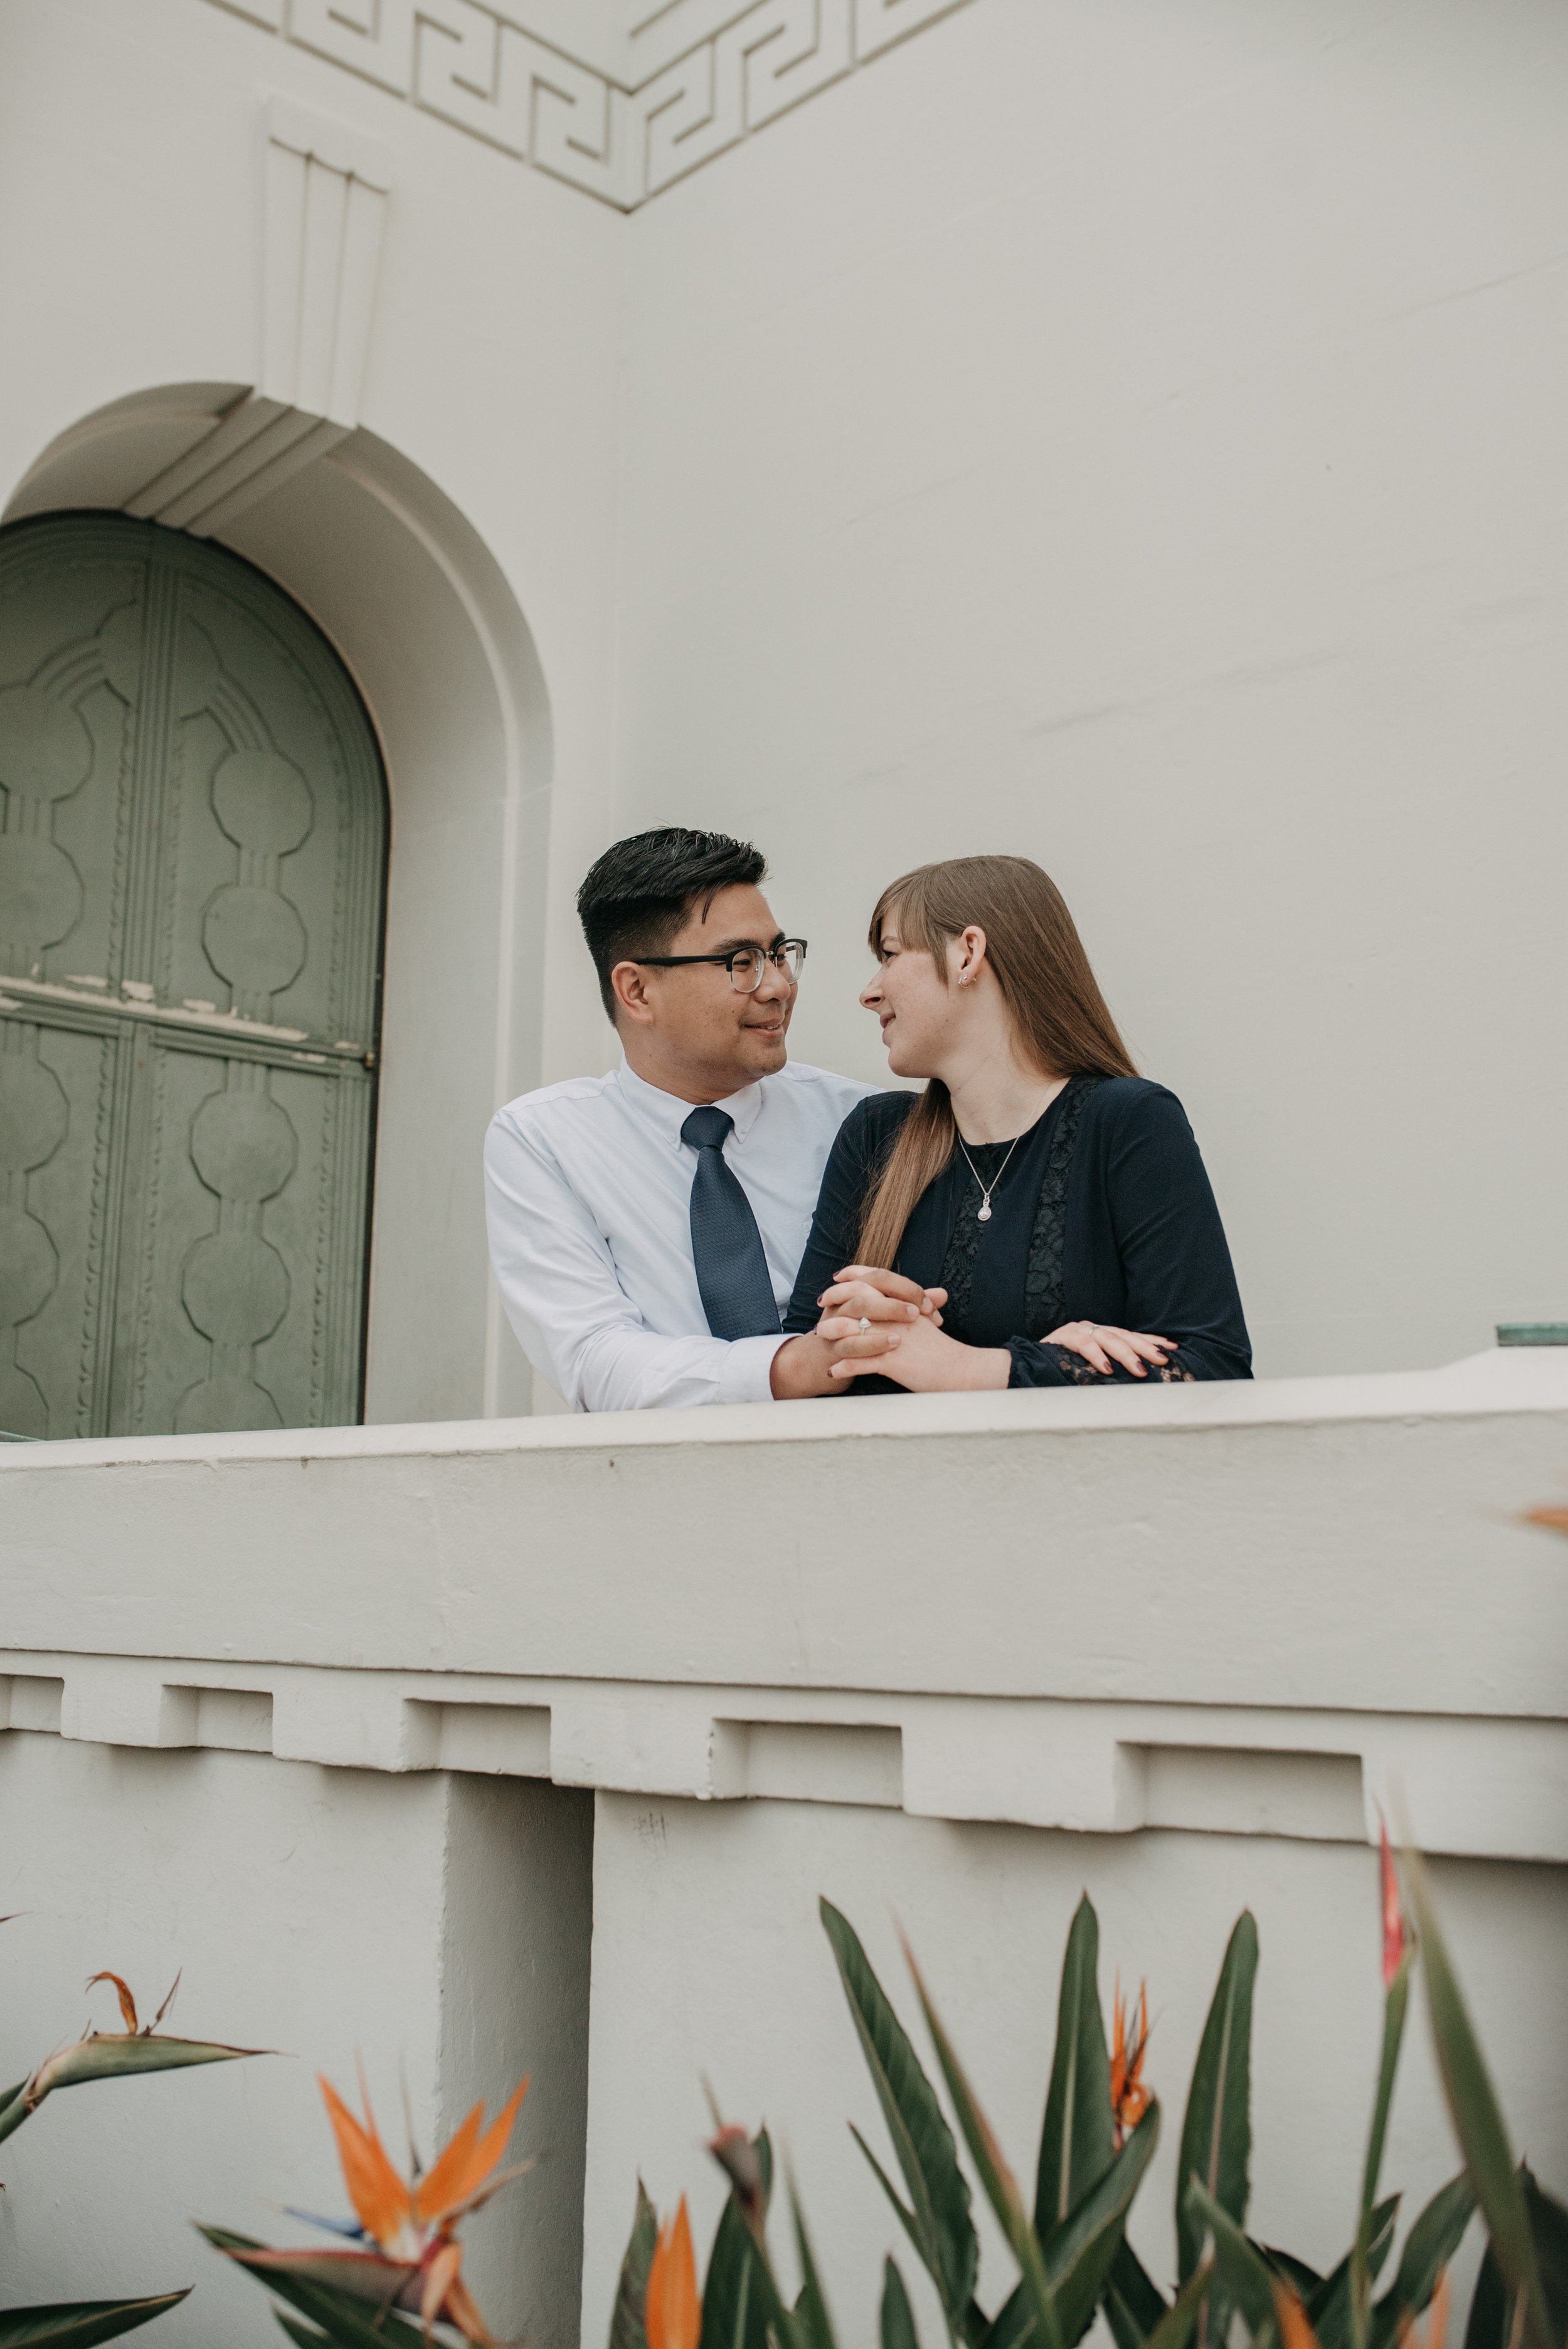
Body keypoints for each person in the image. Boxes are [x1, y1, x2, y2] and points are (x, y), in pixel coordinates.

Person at [484, 827, 940, 1411]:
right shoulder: (544, 1139)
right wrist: (790, 1367)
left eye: (779, 954)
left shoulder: (862, 1120)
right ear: (638, 991)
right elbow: (594, 1358)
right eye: (740, 961)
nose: (777, 986)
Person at [783, 854, 1252, 1391]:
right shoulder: (875, 1135)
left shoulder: (1129, 1122)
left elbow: (1214, 1368)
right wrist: (871, 1331)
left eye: (889, 955)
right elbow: (803, 1356)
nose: (869, 992)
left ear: (968, 954)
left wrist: (967, 1368)